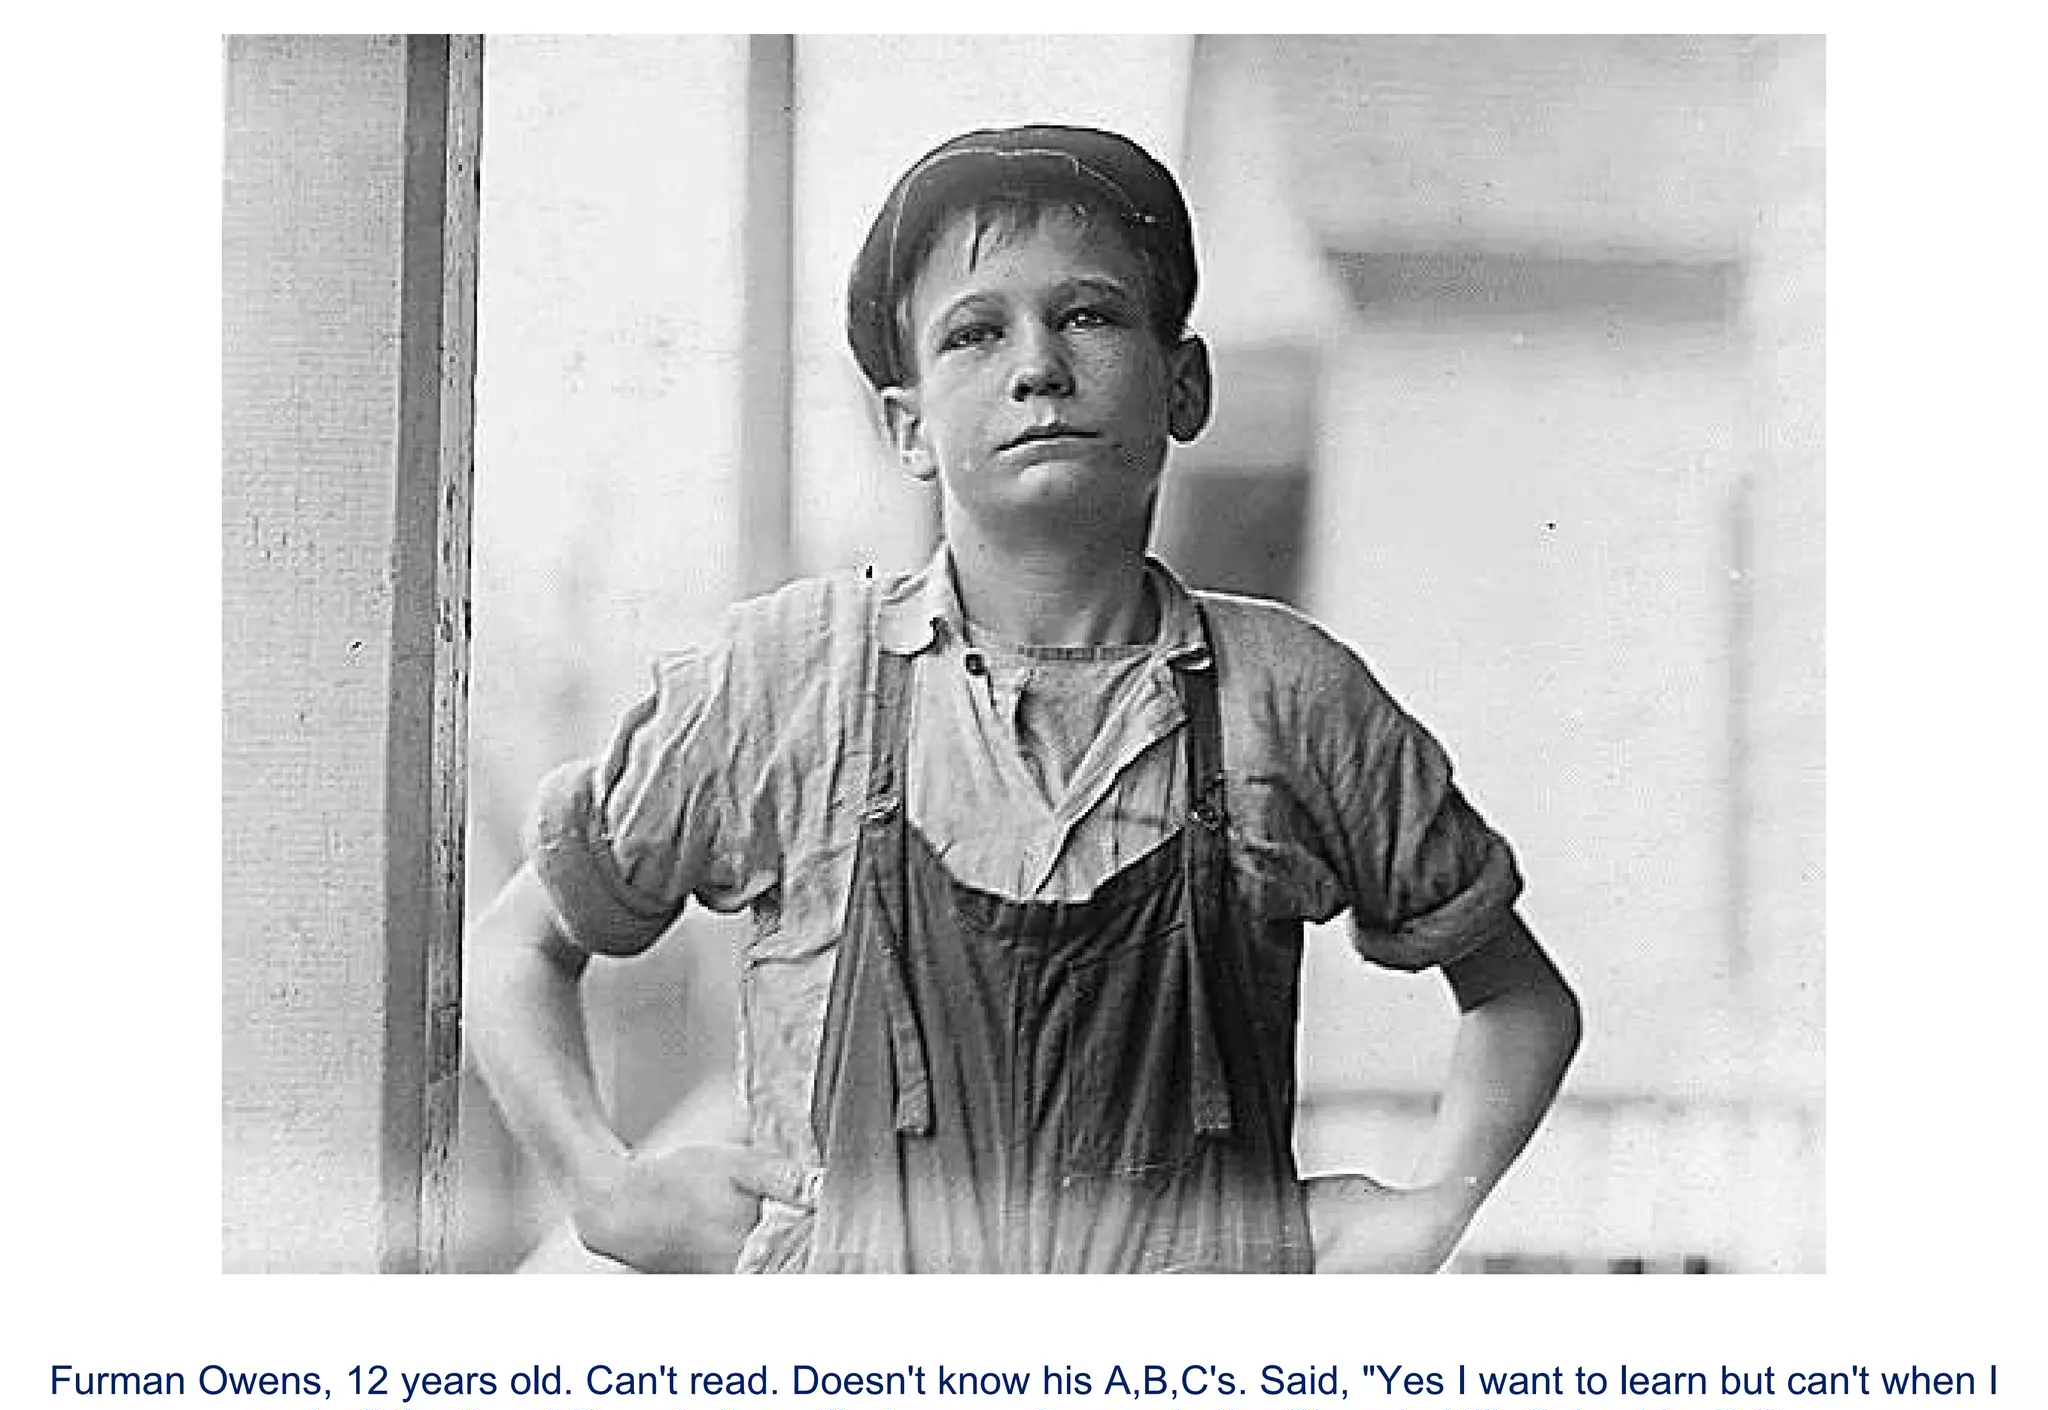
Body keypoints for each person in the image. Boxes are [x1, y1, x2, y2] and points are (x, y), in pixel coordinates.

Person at [467, 124, 1581, 1274]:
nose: (1037, 365)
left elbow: (1518, 999)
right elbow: (518, 948)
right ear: (906, 426)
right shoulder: (790, 677)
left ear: (1184, 383)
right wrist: (600, 1186)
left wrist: (1428, 1211)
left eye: (1087, 315)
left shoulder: (1287, 695)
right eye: (974, 333)